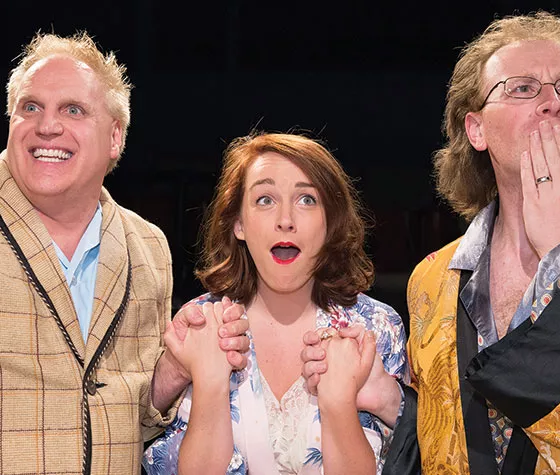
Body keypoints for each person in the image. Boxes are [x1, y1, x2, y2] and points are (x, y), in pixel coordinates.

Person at [0, 32, 248, 474]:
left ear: (115, 137)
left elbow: (134, 414)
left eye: (72, 110)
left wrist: (175, 366)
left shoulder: (148, 246)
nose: (47, 126)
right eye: (30, 107)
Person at [387, 11, 560, 474]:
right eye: (522, 88)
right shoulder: (432, 279)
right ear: (476, 129)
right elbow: (433, 438)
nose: (552, 103)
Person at [142, 132, 409, 475]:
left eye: (307, 200)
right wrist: (209, 381)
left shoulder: (376, 327)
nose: (285, 219)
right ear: (238, 223)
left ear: (330, 222)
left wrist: (338, 402)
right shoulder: (202, 325)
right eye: (265, 200)